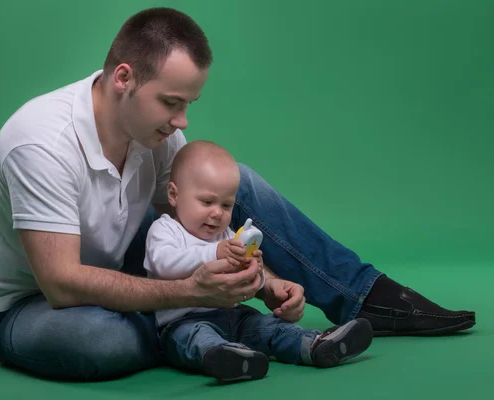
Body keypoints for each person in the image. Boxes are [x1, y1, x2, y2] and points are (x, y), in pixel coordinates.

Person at [0, 7, 476, 382]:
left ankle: (366, 298)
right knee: (100, 342)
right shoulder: (41, 142)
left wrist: (266, 278)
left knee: (224, 184)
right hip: (29, 305)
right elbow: (61, 283)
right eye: (171, 102)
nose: (182, 120)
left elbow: (206, 223)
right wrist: (191, 292)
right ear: (123, 78)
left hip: (122, 261)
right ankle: (208, 329)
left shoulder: (156, 133)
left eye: (189, 103)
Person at [144, 140, 375, 382]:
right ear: (173, 195)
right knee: (193, 339)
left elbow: (245, 277)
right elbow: (164, 263)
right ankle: (228, 358)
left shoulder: (226, 235)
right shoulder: (165, 230)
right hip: (184, 320)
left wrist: (260, 276)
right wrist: (214, 254)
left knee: (269, 326)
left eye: (226, 205)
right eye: (206, 202)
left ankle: (315, 345)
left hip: (234, 316)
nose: (217, 213)